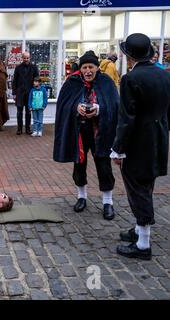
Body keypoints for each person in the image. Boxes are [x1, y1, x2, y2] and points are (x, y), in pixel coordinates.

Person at [111, 33, 170, 260]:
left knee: (138, 190)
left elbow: (127, 119)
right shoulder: (164, 75)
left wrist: (118, 148)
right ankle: (138, 230)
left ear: (129, 56)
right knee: (147, 185)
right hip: (158, 138)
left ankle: (143, 244)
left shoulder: (130, 79)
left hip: (138, 143)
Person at [53, 50, 119, 220]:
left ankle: (107, 201)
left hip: (101, 132)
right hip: (80, 131)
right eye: (84, 67)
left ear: (97, 68)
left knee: (104, 165)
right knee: (79, 163)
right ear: (80, 68)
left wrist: (99, 109)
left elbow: (115, 105)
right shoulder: (72, 82)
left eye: (91, 67)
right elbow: (63, 105)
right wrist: (76, 107)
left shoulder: (106, 82)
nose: (88, 71)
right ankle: (81, 197)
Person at [12, 51, 39, 135]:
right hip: (20, 93)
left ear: (29, 58)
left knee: (28, 112)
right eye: (24, 58)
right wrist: (14, 93)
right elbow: (15, 81)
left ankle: (28, 129)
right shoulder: (18, 68)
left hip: (30, 93)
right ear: (22, 58)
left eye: (27, 58)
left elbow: (37, 80)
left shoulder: (34, 67)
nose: (26, 59)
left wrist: (36, 91)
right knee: (19, 112)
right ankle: (19, 129)